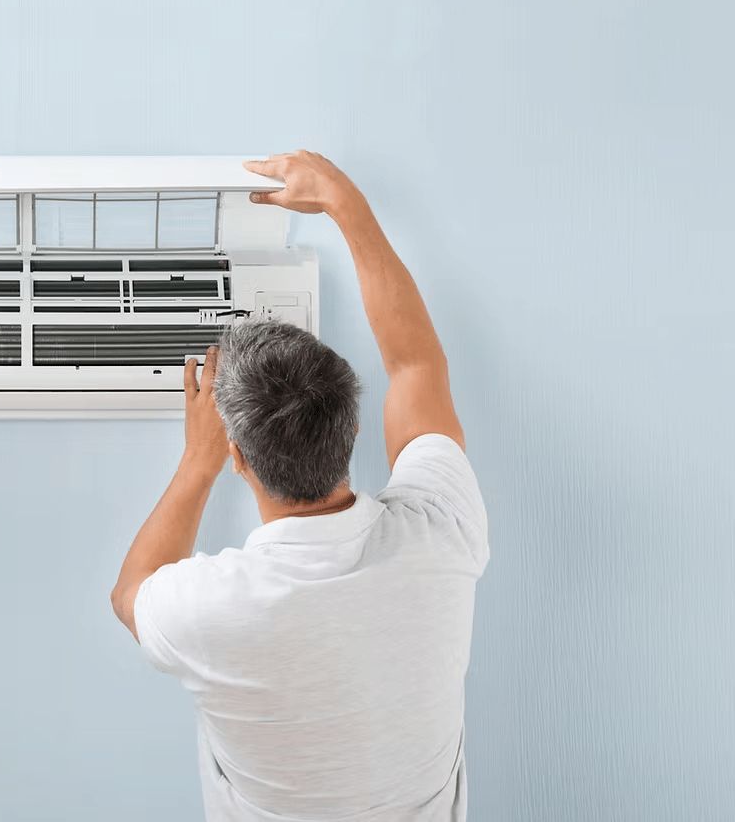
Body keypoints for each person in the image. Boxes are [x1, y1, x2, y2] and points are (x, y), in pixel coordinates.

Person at [111, 151, 489, 821]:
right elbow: (414, 363)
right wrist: (347, 203)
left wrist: (196, 463)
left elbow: (131, 593)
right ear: (352, 428)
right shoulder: (443, 533)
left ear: (239, 456)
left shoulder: (212, 611)